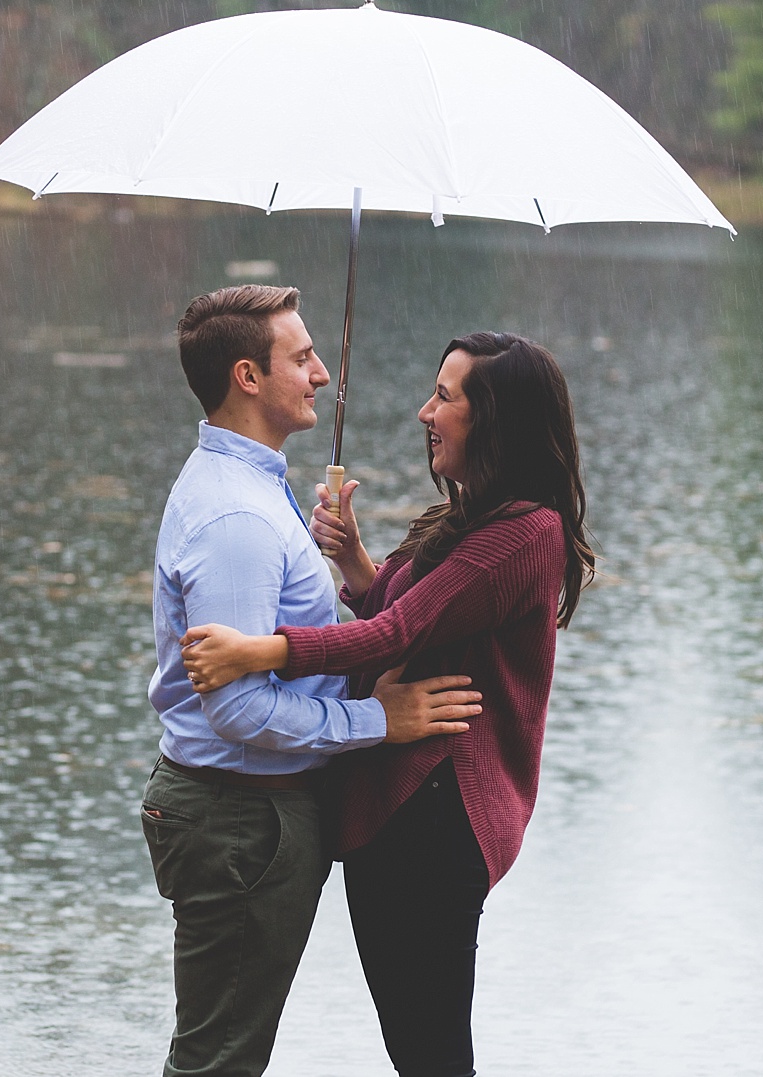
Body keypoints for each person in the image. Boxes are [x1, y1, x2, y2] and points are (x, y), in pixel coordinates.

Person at [181, 332, 594, 1077]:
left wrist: (259, 650)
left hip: (439, 815)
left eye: (445, 396)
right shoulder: (469, 518)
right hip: (400, 810)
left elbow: (391, 634)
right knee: (415, 1049)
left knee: (432, 1055)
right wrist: (353, 560)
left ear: (494, 418)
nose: (424, 411)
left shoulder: (524, 533)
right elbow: (410, 617)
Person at [144, 284, 486, 1077]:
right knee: (218, 1061)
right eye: (301, 358)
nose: (323, 374)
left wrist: (343, 561)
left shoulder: (259, 488)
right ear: (247, 377)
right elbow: (236, 708)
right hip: (242, 819)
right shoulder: (239, 519)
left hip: (250, 816)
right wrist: (379, 721)